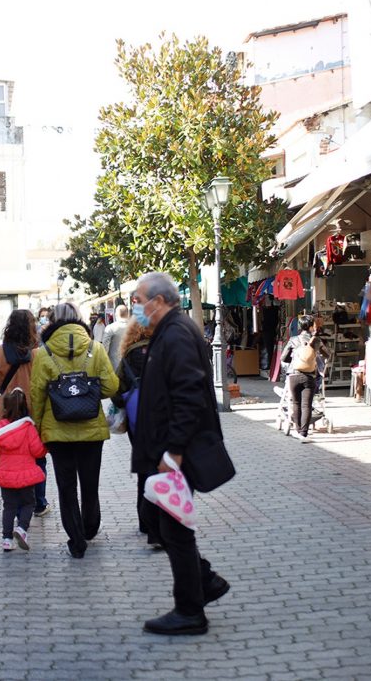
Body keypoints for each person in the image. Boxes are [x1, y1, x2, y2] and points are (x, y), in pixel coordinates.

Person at [130, 271, 229, 636]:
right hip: (167, 450)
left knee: (174, 530)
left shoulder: (175, 333)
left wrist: (173, 451)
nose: (135, 308)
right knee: (170, 526)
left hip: (175, 454)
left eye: (139, 301)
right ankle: (205, 583)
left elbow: (189, 395)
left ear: (158, 301)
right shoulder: (172, 330)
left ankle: (190, 611)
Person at [29, 302, 119, 559]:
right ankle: (90, 528)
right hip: (91, 431)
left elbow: (36, 395)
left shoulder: (43, 353)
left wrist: (38, 425)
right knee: (90, 484)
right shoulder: (96, 349)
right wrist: (88, 392)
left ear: (53, 320)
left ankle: (76, 539)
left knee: (66, 486)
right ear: (79, 320)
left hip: (57, 432)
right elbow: (112, 387)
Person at [0, 309, 50, 517]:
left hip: (6, 413)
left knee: (9, 456)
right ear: (32, 327)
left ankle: (13, 503)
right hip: (33, 413)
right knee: (37, 457)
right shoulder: (39, 353)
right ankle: (39, 503)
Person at [111, 318, 160, 547]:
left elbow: (116, 389)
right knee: (160, 465)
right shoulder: (162, 349)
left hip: (136, 418)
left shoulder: (129, 355)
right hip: (161, 416)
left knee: (144, 466)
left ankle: (144, 520)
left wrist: (127, 400)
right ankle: (158, 520)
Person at [0, 388, 47, 552]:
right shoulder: (28, 427)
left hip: (6, 474)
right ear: (25, 407)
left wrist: (1, 468)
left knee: (9, 506)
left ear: (5, 407)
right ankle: (21, 528)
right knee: (29, 503)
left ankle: (7, 539)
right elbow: (37, 451)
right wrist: (45, 448)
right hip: (26, 474)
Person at [278, 314, 331, 441]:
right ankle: (303, 434)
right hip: (310, 376)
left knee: (296, 403)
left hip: (294, 375)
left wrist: (296, 357)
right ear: (312, 326)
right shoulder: (316, 341)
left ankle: (297, 430)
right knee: (306, 405)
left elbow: (283, 358)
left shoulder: (293, 339)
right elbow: (327, 354)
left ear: (300, 326)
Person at [102, 304, 130, 371]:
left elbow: (105, 348)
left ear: (116, 314)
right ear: (128, 314)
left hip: (115, 365)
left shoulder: (110, 328)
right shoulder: (135, 327)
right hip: (131, 365)